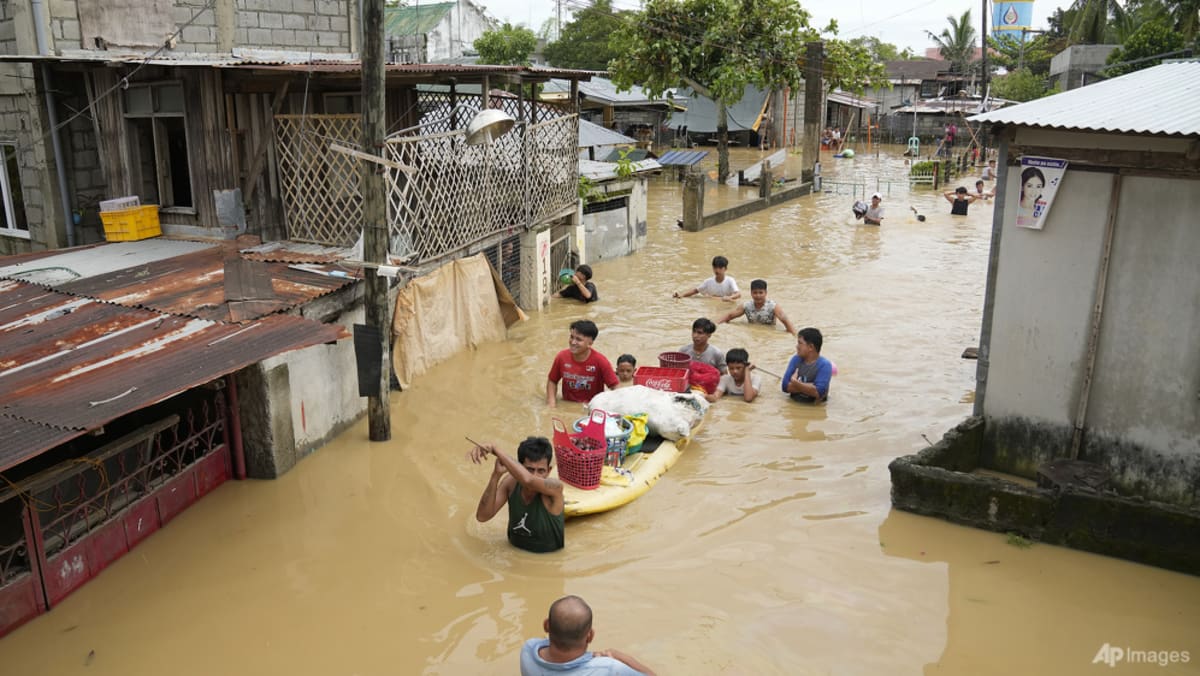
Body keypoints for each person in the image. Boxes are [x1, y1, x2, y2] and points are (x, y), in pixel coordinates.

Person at [471, 437, 564, 553]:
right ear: (520, 468)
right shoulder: (510, 483)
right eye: (529, 469)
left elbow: (529, 481)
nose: (535, 475)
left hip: (548, 559)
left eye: (541, 471)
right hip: (514, 552)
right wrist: (496, 475)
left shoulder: (555, 488)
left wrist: (495, 449)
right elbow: (482, 516)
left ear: (549, 471)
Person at [520, 595, 656, 675]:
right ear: (590, 636)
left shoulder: (528, 649)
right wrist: (619, 658)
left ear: (546, 625)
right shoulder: (609, 668)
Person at [547, 320, 619, 407]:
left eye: (578, 339)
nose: (573, 342)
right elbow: (552, 381)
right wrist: (551, 404)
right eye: (571, 337)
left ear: (590, 343)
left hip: (591, 407)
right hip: (567, 404)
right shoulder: (561, 357)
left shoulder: (601, 361)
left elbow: (616, 387)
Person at [717, 279, 796, 334]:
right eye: (755, 293)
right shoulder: (746, 306)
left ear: (765, 293)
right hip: (752, 334)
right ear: (751, 293)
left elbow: (786, 321)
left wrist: (794, 336)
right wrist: (715, 325)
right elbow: (729, 316)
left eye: (761, 293)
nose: (758, 296)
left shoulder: (773, 306)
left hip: (769, 334)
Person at [782, 327, 833, 403]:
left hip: (814, 409)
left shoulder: (825, 365)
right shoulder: (795, 359)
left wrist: (795, 383)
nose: (797, 346)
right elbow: (785, 386)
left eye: (800, 343)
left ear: (810, 347)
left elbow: (819, 392)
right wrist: (811, 387)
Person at [673, 255, 740, 302]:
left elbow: (738, 294)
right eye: (715, 268)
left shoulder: (730, 280)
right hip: (713, 302)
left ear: (725, 269)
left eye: (720, 268)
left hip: (726, 304)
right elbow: (695, 291)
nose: (717, 270)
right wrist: (681, 295)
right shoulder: (708, 282)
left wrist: (729, 297)